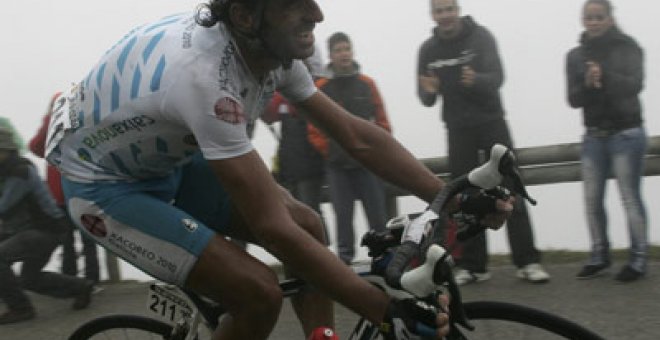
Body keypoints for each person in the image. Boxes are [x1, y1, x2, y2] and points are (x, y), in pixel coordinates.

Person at [44, 1, 514, 338]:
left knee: (308, 224)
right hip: (103, 187)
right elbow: (271, 228)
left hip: (166, 158)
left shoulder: (267, 48)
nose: (317, 14)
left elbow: (357, 135)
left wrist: (448, 196)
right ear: (247, 15)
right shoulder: (205, 76)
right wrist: (383, 309)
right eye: (296, 4)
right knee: (258, 294)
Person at [416, 0, 550, 285]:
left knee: (510, 189)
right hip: (457, 129)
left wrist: (476, 80)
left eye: (449, 9)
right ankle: (473, 266)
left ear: (457, 10)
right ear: (433, 15)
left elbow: (498, 77)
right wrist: (428, 92)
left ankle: (528, 261)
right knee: (464, 198)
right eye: (439, 11)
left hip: (491, 122)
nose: (445, 16)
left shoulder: (481, 37)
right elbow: (425, 96)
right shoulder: (428, 50)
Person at [566, 0, 648, 283]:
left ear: (610, 19)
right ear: (583, 20)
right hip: (594, 135)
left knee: (629, 197)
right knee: (591, 200)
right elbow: (573, 99)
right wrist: (588, 82)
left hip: (626, 133)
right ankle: (599, 256)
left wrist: (606, 76)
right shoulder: (575, 55)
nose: (595, 22)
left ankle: (638, 259)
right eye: (590, 17)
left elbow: (635, 84)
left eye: (600, 17)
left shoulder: (628, 47)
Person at [307, 32, 391, 265]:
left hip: (368, 163)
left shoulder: (367, 84)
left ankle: (384, 258)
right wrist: (330, 149)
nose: (344, 54)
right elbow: (313, 128)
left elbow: (383, 122)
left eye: (347, 49)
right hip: (337, 167)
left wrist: (376, 150)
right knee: (343, 217)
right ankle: (345, 261)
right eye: (338, 50)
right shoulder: (321, 87)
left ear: (352, 52)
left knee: (377, 215)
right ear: (331, 56)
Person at [0, 127, 94, 325]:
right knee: (29, 279)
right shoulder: (8, 171)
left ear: (5, 150)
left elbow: (4, 206)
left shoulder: (19, 171)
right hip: (43, 230)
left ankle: (21, 308)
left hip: (43, 231)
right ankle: (80, 287)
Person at [29, 92, 100, 284]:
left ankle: (81, 281)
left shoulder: (68, 128)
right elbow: (34, 147)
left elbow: (35, 147)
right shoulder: (59, 132)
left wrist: (50, 118)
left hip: (71, 193)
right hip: (73, 194)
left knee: (77, 240)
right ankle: (82, 282)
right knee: (78, 241)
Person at [262, 46, 327, 234]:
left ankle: (321, 255)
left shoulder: (318, 91)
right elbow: (267, 113)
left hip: (310, 166)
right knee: (298, 214)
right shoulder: (284, 93)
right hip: (289, 166)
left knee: (311, 212)